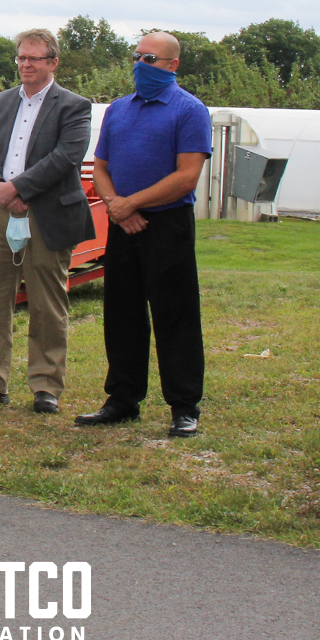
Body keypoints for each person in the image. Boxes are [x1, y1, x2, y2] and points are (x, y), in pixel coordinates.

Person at [74, 31, 211, 438]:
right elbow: (101, 166)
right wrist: (117, 205)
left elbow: (187, 176)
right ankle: (122, 398)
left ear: (172, 65)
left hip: (167, 224)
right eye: (136, 56)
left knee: (175, 314)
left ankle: (184, 405)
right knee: (122, 312)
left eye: (149, 58)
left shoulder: (189, 110)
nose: (140, 65)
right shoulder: (119, 109)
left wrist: (131, 204)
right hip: (122, 222)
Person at [0, 28, 94, 414]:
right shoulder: (3, 101)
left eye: (34, 58)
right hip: (0, 211)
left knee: (46, 303)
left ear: (53, 62)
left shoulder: (74, 106)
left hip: (47, 213)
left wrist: (19, 189)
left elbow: (66, 157)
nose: (25, 64)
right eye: (21, 57)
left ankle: (46, 385)